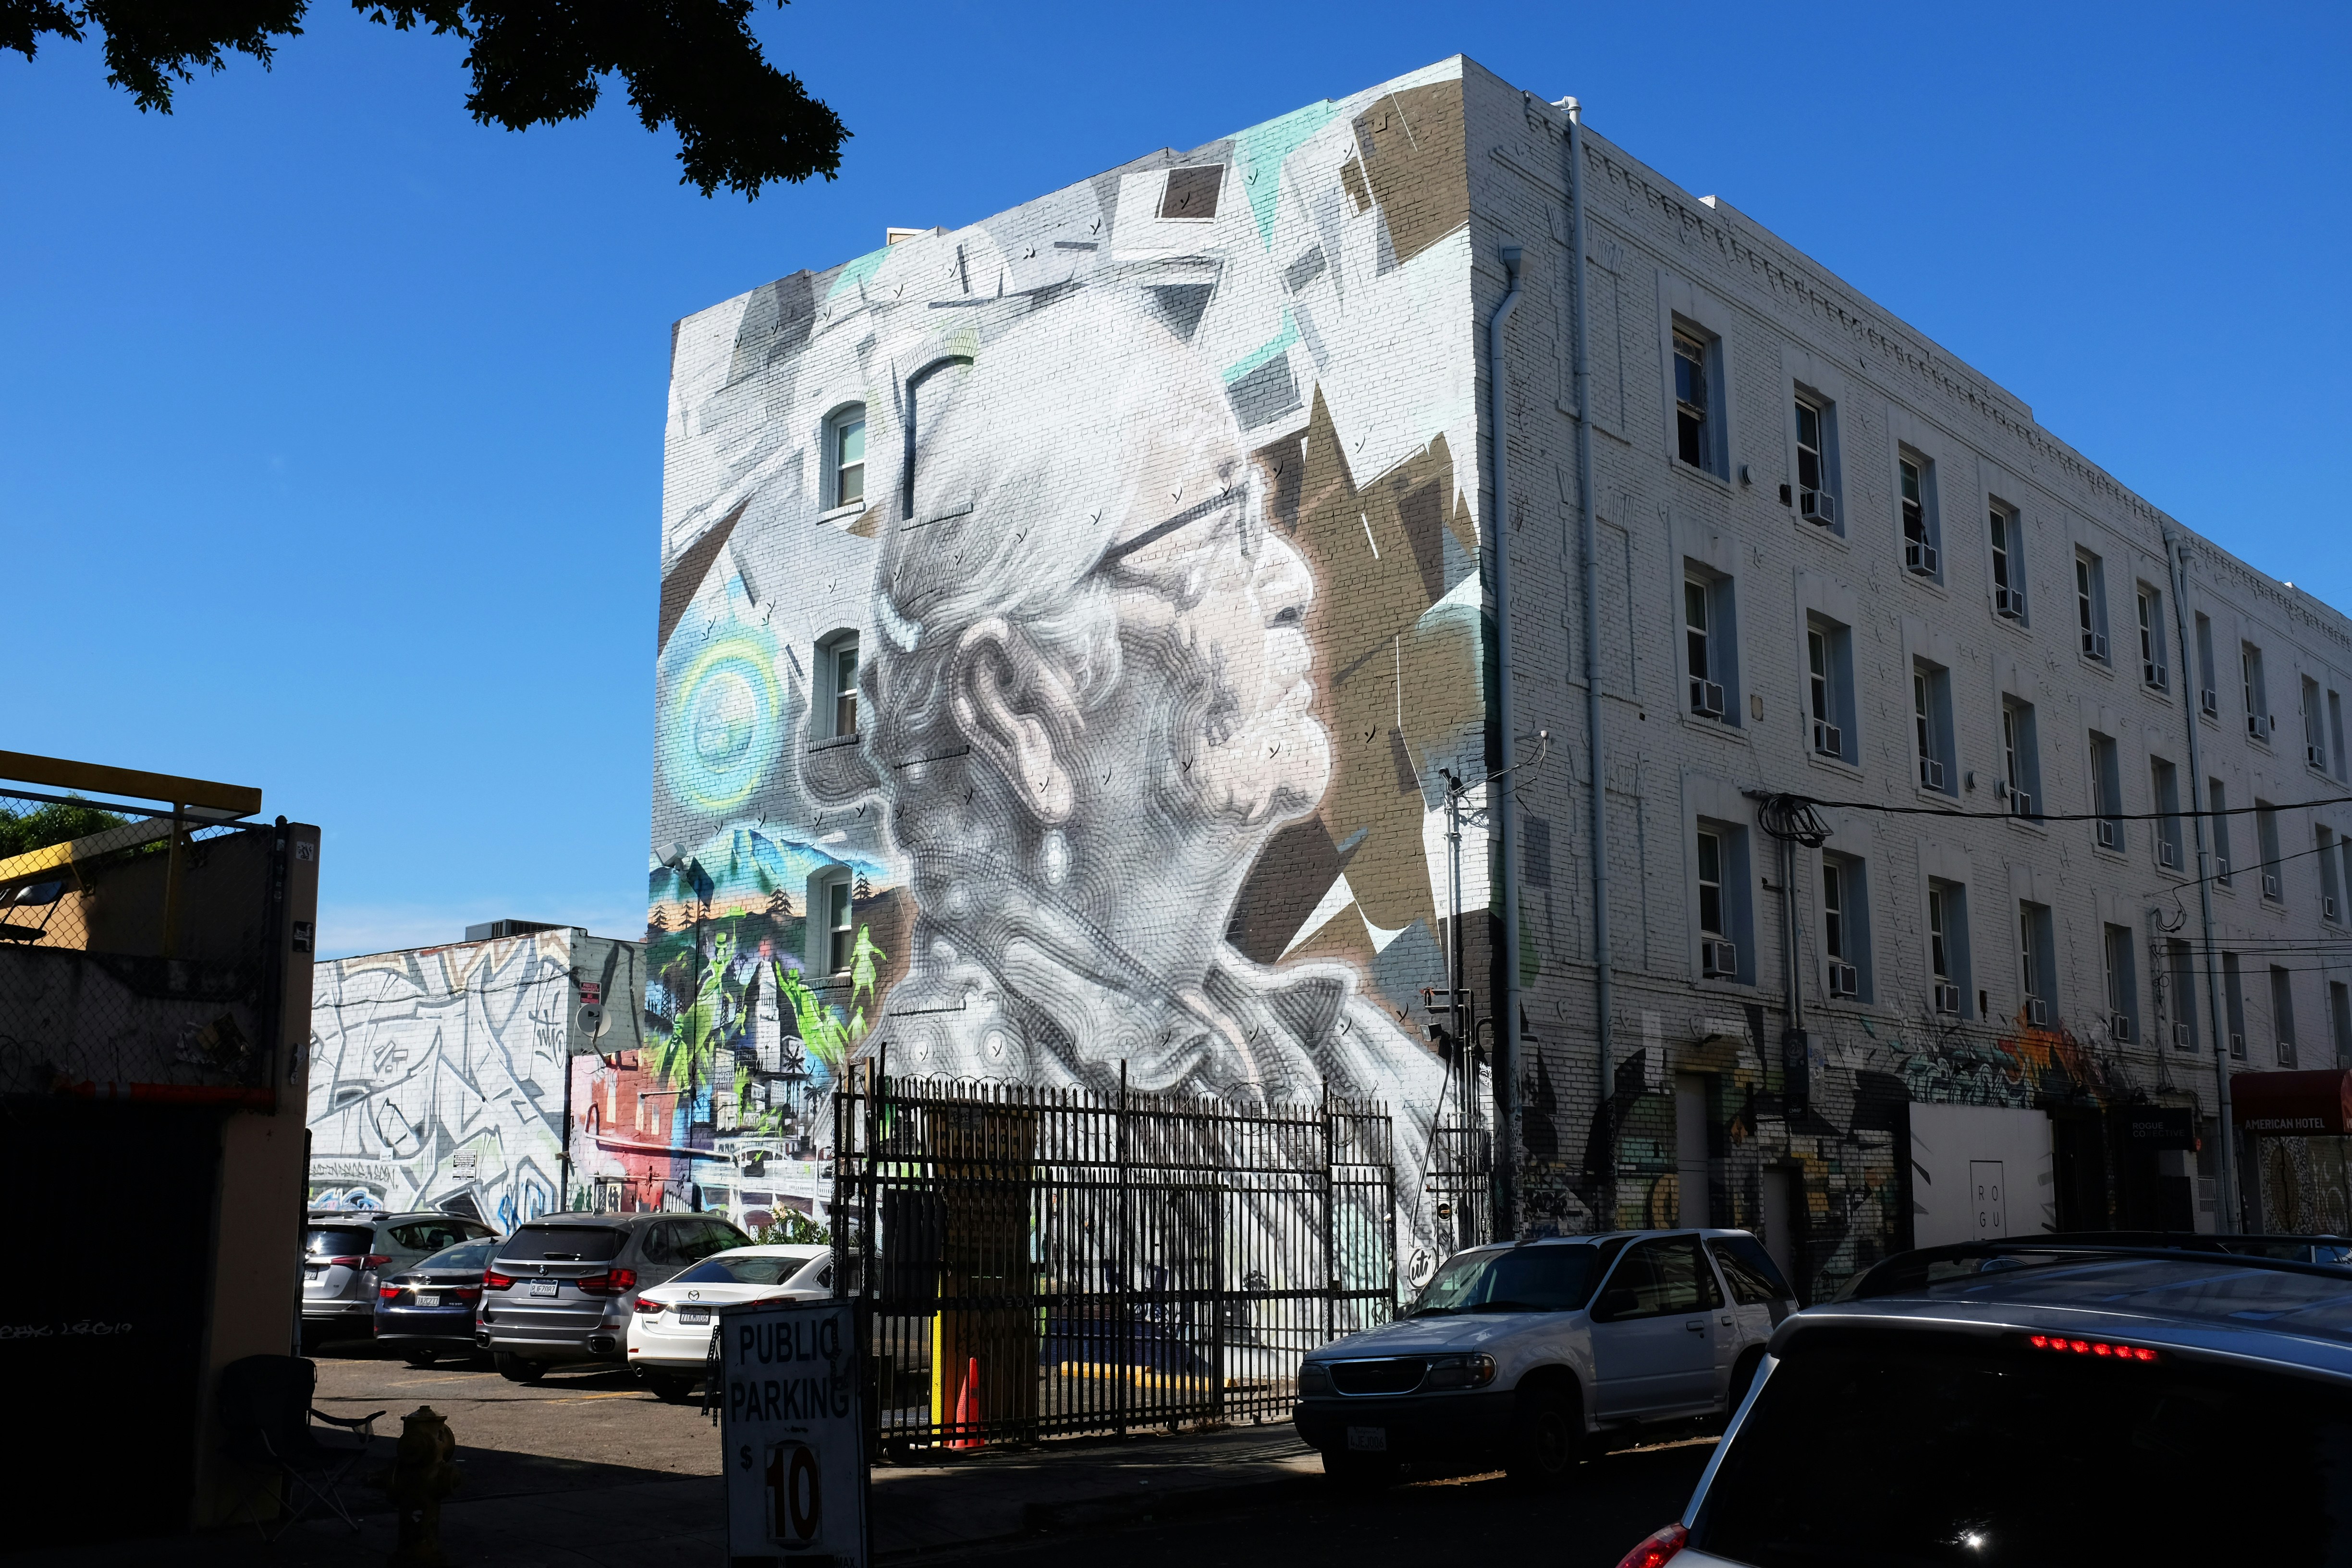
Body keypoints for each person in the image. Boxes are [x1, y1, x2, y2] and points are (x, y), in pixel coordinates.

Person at [824, 286, 1447, 1269]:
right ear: (1021, 711)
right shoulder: (956, 1087)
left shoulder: (1335, 1053)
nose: (1294, 580)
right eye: (1221, 527)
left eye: (1260, 516)